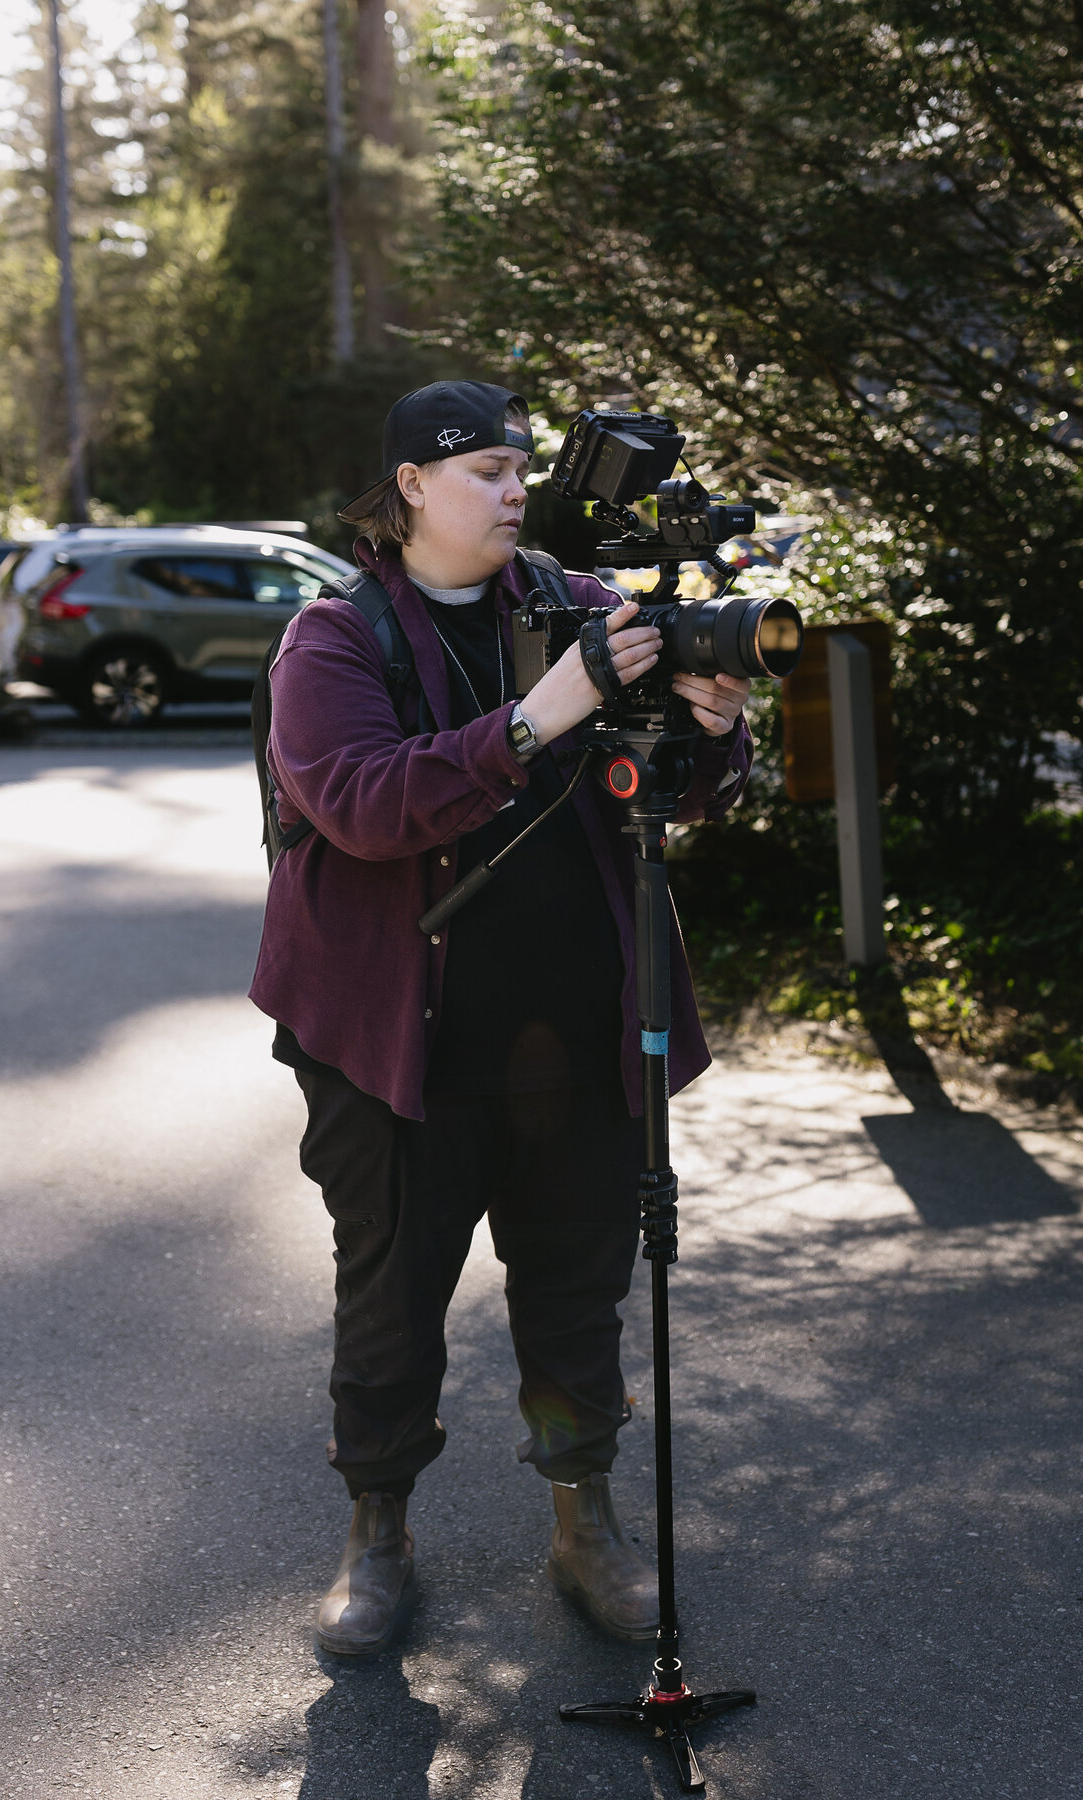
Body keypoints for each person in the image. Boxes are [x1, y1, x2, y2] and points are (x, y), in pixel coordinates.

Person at [250, 380, 752, 1656]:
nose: (515, 485)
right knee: (391, 1298)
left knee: (579, 1292)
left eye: (521, 463)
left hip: (583, 1029)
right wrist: (541, 714)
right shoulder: (333, 638)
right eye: (483, 466)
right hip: (397, 1043)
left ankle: (587, 1522)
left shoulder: (577, 607)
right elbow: (364, 806)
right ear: (411, 486)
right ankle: (377, 1532)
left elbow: (671, 795)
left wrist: (713, 731)